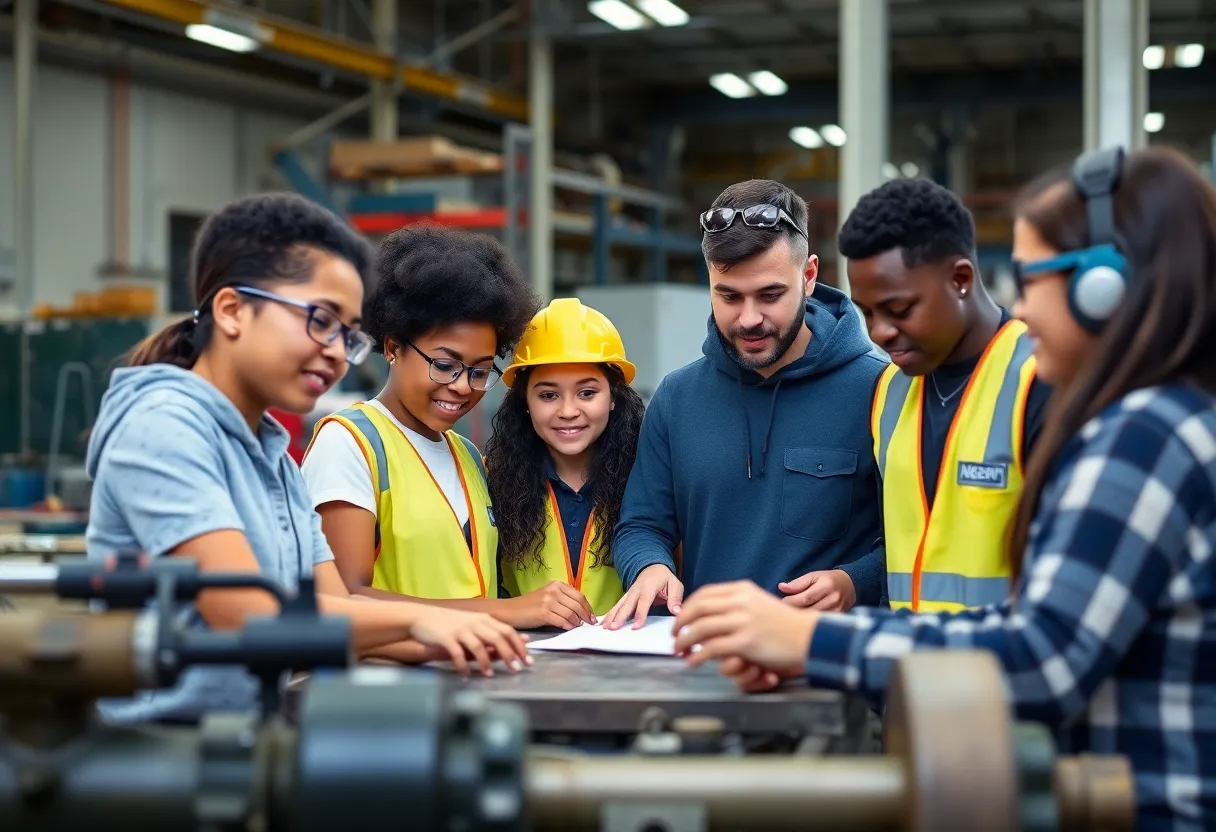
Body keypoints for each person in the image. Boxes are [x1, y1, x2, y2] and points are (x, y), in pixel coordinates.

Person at [670, 146, 1216, 830]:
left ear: (1102, 288)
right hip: (976, 750)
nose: (1021, 304)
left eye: (1032, 278)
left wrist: (811, 641)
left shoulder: (1146, 435)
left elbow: (1043, 657)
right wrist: (813, 642)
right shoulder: (898, 397)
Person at [85, 194, 530, 725]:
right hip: (159, 757)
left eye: (347, 334)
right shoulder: (163, 426)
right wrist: (421, 624)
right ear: (231, 310)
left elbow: (333, 602)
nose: (339, 352)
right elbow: (245, 615)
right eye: (320, 321)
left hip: (247, 739)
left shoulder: (270, 451)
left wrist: (465, 635)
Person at [604, 179, 888, 630]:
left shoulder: (880, 390)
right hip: (706, 659)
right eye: (729, 296)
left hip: (826, 666)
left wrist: (855, 582)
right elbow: (642, 525)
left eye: (770, 295)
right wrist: (650, 566)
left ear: (809, 276)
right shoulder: (676, 400)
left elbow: (918, 537)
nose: (749, 318)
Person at [301, 224, 596, 630]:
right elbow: (344, 601)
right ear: (392, 347)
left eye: (479, 371)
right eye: (444, 365)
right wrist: (507, 612)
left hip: (475, 676)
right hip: (391, 686)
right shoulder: (350, 444)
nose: (461, 386)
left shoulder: (470, 457)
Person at [839, 177, 1052, 613]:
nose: (879, 333)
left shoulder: (1041, 380)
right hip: (902, 671)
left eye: (899, 310)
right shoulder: (888, 393)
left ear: (960, 279)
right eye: (866, 312)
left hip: (1006, 675)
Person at [483, 298, 646, 620]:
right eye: (548, 395)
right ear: (525, 402)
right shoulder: (489, 479)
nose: (568, 411)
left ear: (613, 397)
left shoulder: (651, 477)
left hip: (632, 660)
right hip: (525, 659)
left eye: (587, 393)